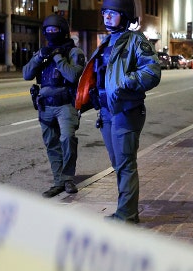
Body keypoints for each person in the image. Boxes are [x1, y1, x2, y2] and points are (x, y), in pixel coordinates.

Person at [83, 0, 161, 223]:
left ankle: (127, 215)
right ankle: (125, 209)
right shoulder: (107, 41)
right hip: (107, 112)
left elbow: (152, 72)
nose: (107, 17)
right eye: (105, 13)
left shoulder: (136, 41)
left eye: (113, 13)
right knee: (118, 163)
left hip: (125, 111)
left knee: (125, 164)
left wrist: (126, 82)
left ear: (125, 16)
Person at [22, 15, 86, 198]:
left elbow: (73, 76)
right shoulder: (44, 51)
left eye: (54, 30)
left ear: (64, 32)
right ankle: (58, 182)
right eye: (48, 30)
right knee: (51, 144)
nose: (51, 33)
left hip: (66, 104)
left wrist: (58, 57)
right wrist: (40, 57)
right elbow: (26, 74)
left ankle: (68, 179)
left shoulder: (74, 53)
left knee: (67, 139)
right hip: (45, 106)